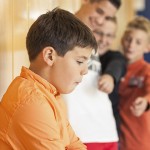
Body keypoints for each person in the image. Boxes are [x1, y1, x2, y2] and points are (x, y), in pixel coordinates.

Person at [0, 8, 98, 150]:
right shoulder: (32, 102)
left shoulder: (50, 95)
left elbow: (75, 145)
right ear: (50, 56)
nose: (85, 71)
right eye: (79, 61)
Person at [63, 0, 122, 150]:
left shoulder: (90, 36)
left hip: (108, 132)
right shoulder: (61, 30)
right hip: (81, 135)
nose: (101, 21)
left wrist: (111, 75)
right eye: (100, 11)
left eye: (107, 17)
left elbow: (117, 59)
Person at [119, 16, 150, 150]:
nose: (131, 45)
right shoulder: (114, 67)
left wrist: (145, 102)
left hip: (138, 143)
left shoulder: (146, 70)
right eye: (128, 39)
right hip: (114, 140)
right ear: (122, 40)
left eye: (138, 42)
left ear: (147, 47)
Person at [93, 17, 126, 136]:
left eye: (109, 35)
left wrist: (109, 77)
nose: (103, 40)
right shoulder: (82, 57)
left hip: (108, 130)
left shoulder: (115, 56)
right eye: (99, 33)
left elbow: (117, 65)